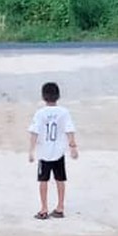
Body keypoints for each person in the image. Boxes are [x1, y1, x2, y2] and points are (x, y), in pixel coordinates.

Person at [27, 81, 78, 220]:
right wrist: (73, 147)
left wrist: (31, 151)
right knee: (60, 179)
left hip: (44, 154)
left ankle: (44, 208)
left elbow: (34, 132)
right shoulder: (64, 112)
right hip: (59, 153)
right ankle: (60, 207)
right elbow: (69, 130)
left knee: (43, 181)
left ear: (43, 97)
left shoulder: (40, 113)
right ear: (58, 96)